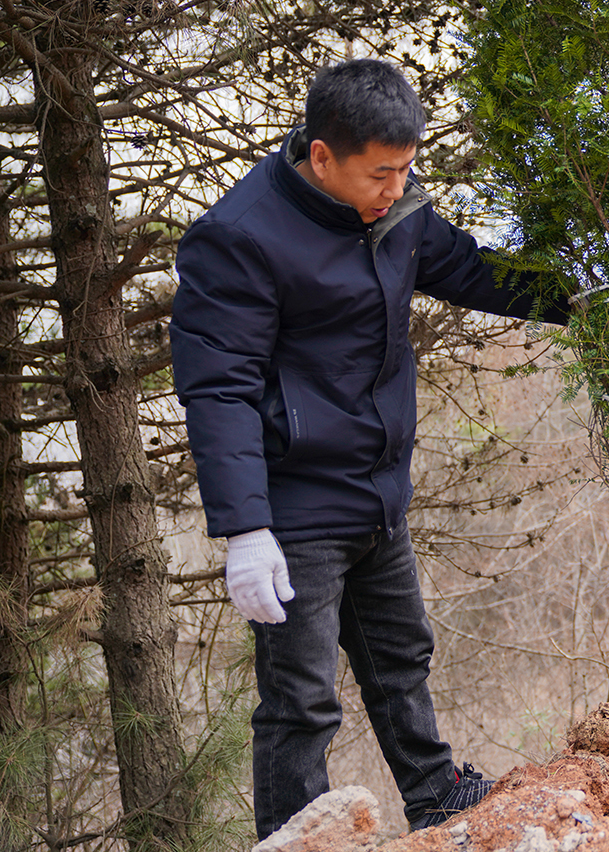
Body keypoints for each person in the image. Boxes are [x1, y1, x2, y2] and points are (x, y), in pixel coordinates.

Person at [170, 60, 571, 838]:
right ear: (322, 157)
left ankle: (434, 790)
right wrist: (246, 528)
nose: (396, 187)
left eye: (406, 169)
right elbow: (218, 390)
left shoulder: (396, 212)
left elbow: (470, 270)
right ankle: (297, 835)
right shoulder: (240, 239)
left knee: (401, 657)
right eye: (380, 173)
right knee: (302, 701)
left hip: (377, 491)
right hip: (294, 509)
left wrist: (581, 297)